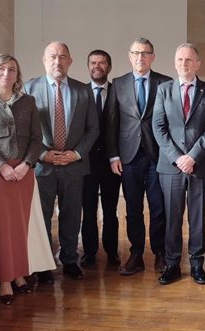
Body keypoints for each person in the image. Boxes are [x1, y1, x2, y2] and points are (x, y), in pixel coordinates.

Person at [0, 54, 55, 304]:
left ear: (18, 74)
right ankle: (4, 280)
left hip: (24, 173)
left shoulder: (28, 101)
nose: (7, 74)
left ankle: (19, 274)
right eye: (2, 69)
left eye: (12, 70)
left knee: (21, 226)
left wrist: (27, 165)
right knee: (0, 226)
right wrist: (2, 167)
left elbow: (36, 139)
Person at [25, 42, 99, 282]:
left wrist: (77, 153)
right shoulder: (29, 88)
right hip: (43, 165)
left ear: (70, 61)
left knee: (71, 215)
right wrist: (42, 154)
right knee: (42, 216)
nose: (58, 62)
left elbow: (92, 129)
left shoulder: (83, 90)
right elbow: (24, 130)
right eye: (53, 57)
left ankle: (69, 260)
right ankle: (44, 264)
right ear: (44, 60)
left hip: (74, 165)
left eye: (63, 57)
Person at [153, 43, 205, 285]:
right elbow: (158, 128)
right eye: (180, 59)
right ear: (174, 63)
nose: (184, 63)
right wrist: (178, 157)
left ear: (198, 64)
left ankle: (196, 264)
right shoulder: (163, 90)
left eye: (189, 60)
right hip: (171, 166)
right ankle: (171, 264)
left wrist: (192, 157)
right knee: (172, 216)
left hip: (199, 165)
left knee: (197, 217)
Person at [105, 38, 171, 276]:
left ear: (153, 57)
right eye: (136, 53)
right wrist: (113, 155)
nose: (140, 58)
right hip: (128, 157)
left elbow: (170, 123)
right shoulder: (118, 84)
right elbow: (111, 122)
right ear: (129, 56)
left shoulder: (165, 83)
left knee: (158, 208)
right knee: (133, 209)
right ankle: (136, 255)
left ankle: (160, 254)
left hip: (157, 157)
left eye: (145, 53)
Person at [80, 49, 121, 268]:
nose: (97, 66)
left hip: (111, 162)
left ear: (109, 67)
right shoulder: (80, 92)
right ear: (88, 66)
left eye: (102, 62)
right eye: (93, 62)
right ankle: (89, 251)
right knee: (88, 210)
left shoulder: (118, 92)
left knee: (110, 210)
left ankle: (112, 251)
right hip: (85, 162)